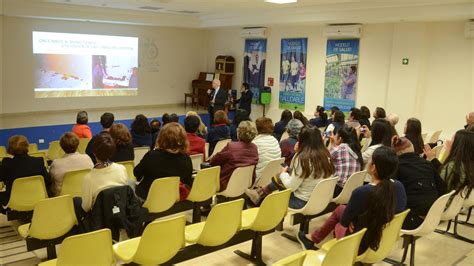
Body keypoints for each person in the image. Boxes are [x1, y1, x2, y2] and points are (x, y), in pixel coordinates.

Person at [297, 146, 407, 252]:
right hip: (383, 240)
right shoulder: (399, 187)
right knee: (340, 209)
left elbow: (343, 223)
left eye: (370, 159)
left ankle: (314, 239)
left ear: (373, 167)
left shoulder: (362, 192)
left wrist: (352, 221)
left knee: (339, 221)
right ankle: (312, 238)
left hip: (358, 244)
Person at [246, 127, 336, 209]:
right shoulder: (326, 155)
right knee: (284, 175)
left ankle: (260, 195)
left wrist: (283, 174)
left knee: (276, 186)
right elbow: (296, 171)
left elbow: (291, 186)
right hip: (320, 199)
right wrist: (297, 153)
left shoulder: (303, 159)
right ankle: (259, 193)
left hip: (302, 202)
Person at [393, 137, 446, 229]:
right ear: (412, 149)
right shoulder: (427, 164)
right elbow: (443, 188)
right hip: (433, 214)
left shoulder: (396, 167)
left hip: (412, 218)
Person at [134, 123, 193, 200]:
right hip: (174, 198)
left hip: (150, 199)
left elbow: (137, 173)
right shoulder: (186, 159)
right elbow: (187, 181)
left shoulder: (151, 156)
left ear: (161, 138)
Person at [76, 133, 129, 214]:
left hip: (100, 220)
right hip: (119, 212)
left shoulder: (89, 178)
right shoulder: (121, 169)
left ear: (94, 153)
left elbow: (86, 207)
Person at [0, 135, 52, 211]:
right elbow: (48, 180)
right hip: (38, 198)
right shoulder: (38, 161)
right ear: (27, 146)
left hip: (14, 201)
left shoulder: (7, 163)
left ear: (11, 148)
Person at [210, 121, 259, 191]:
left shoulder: (231, 146)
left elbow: (213, 161)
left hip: (226, 185)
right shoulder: (254, 148)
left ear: (238, 132)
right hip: (245, 185)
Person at [438, 130, 474, 206]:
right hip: (454, 205)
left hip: (442, 205)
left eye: (452, 139)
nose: (449, 141)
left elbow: (439, 187)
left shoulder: (453, 166)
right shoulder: (468, 165)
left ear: (459, 145)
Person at [327, 126, 363, 197]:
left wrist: (330, 143)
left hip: (338, 189)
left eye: (336, 135)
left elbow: (325, 159)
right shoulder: (356, 149)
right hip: (351, 190)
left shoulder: (341, 147)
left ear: (340, 138)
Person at [252, 117, 282, 183]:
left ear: (257, 129)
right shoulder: (275, 141)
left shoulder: (255, 143)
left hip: (259, 178)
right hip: (273, 177)